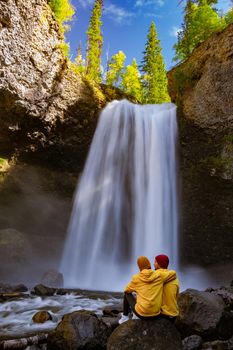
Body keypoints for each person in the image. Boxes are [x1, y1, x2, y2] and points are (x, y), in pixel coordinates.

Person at [118, 255, 177, 324]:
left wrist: (137, 289)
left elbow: (126, 290)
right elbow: (173, 274)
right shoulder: (159, 276)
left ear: (139, 266)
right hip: (156, 314)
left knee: (127, 293)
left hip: (142, 314)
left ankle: (125, 317)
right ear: (149, 265)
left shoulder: (136, 278)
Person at [154, 254, 179, 320]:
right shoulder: (175, 277)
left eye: (155, 262)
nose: (153, 264)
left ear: (159, 264)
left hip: (163, 313)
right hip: (174, 313)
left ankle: (126, 316)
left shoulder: (155, 276)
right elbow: (176, 296)